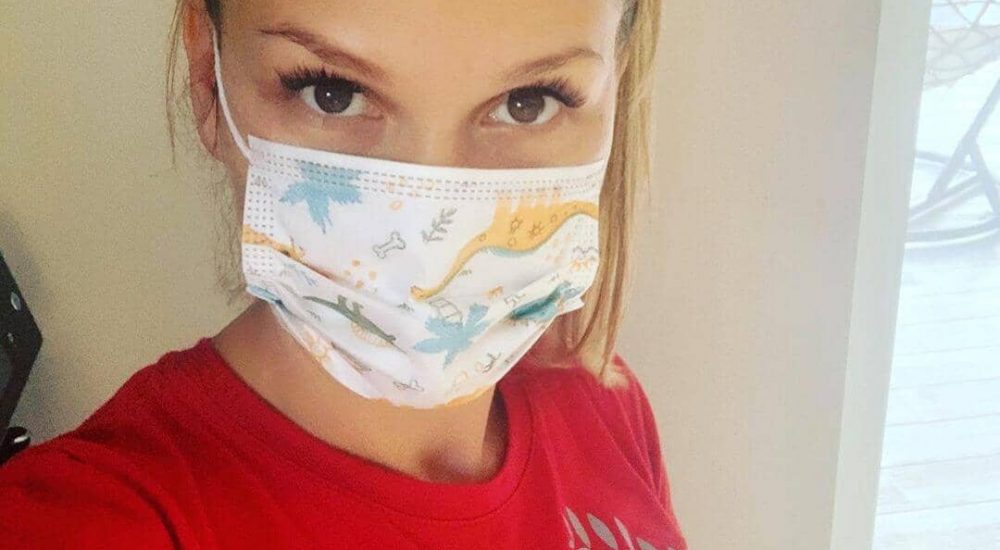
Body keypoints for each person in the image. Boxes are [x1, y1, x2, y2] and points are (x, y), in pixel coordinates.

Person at [0, 0, 687, 548]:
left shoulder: (604, 402)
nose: (426, 239)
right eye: (333, 94)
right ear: (209, 74)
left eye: (527, 102)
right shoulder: (86, 521)